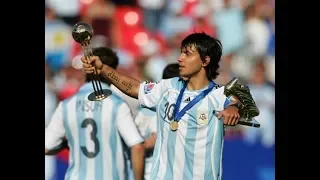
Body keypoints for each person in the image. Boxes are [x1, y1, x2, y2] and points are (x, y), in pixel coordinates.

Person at [82, 32, 254, 179]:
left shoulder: (218, 95)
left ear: (205, 60)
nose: (179, 59)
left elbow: (244, 104)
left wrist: (234, 108)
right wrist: (103, 69)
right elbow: (134, 87)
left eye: (187, 54)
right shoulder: (167, 87)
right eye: (181, 53)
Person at [45, 47, 145, 180]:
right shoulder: (116, 104)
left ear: (85, 69)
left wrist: (69, 142)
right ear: (113, 71)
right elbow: (137, 147)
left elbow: (47, 147)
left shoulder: (66, 105)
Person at [132, 63, 180, 180]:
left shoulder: (141, 110)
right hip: (152, 172)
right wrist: (136, 147)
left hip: (140, 170)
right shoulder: (160, 112)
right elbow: (154, 140)